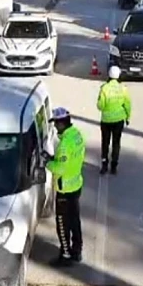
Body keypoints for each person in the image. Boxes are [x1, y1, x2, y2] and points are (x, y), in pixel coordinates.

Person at [43, 107, 86, 266]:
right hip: (76, 184)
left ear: (61, 124)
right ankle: (77, 250)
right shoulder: (77, 135)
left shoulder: (64, 145)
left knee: (62, 223)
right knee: (75, 221)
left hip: (65, 189)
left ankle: (66, 255)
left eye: (55, 123)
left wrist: (47, 162)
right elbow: (69, 160)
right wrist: (55, 159)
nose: (54, 127)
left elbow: (59, 168)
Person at [96, 66, 131, 175]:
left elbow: (100, 105)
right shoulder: (123, 88)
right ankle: (114, 166)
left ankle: (104, 165)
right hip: (118, 121)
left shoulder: (104, 88)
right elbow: (127, 105)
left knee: (105, 143)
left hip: (106, 121)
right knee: (116, 143)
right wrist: (128, 117)